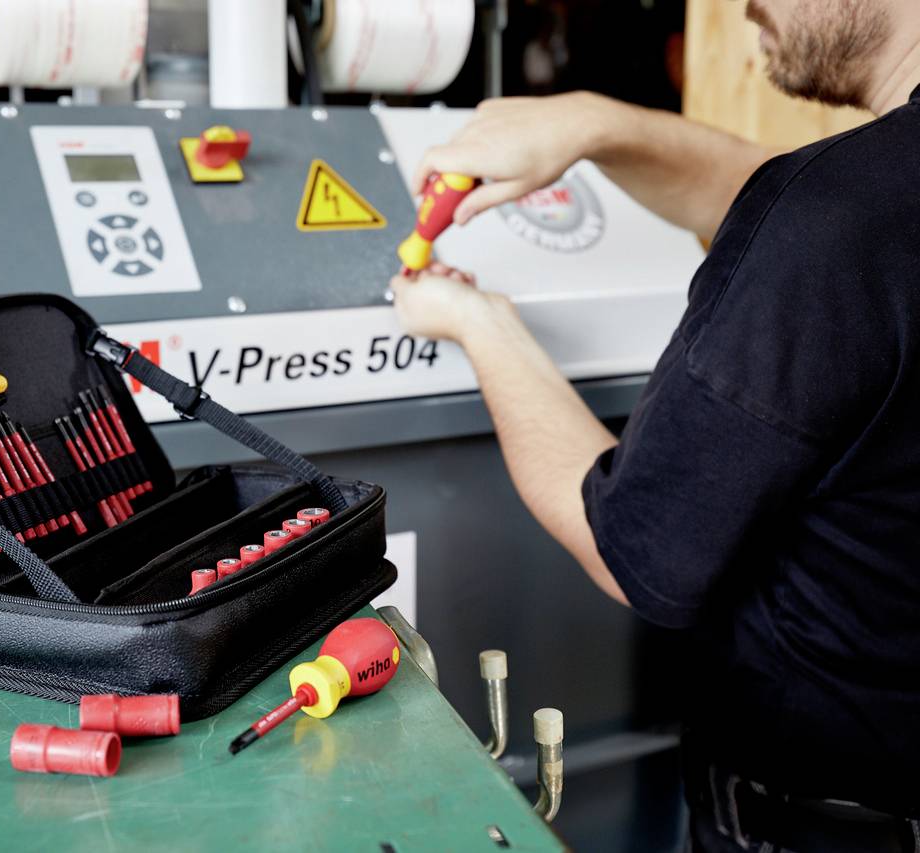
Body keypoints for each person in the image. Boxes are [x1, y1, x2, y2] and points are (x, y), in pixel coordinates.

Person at [390, 1, 920, 850]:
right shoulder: (856, 208)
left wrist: (477, 323)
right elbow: (789, 198)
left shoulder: (832, 220)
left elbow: (630, 544)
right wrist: (594, 125)